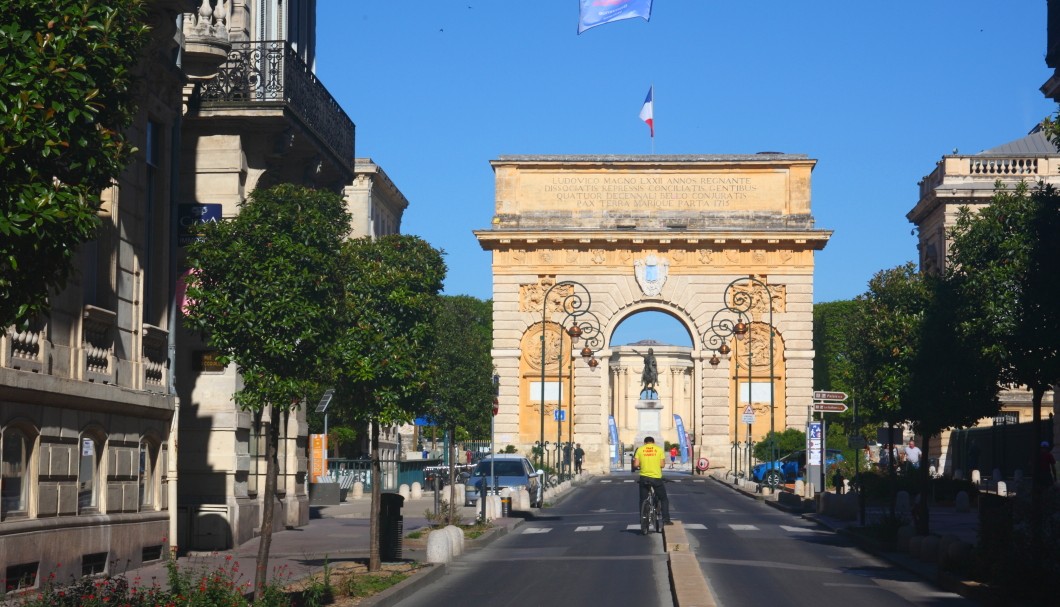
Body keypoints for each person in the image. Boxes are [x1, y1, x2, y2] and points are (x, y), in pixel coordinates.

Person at [633, 436, 671, 525]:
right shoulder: (659, 449)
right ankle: (666, 520)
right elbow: (662, 465)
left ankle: (642, 519)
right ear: (653, 442)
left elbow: (636, 464)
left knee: (642, 499)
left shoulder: (640, 449)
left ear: (645, 443)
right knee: (663, 499)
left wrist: (641, 465)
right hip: (656, 477)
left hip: (644, 477)